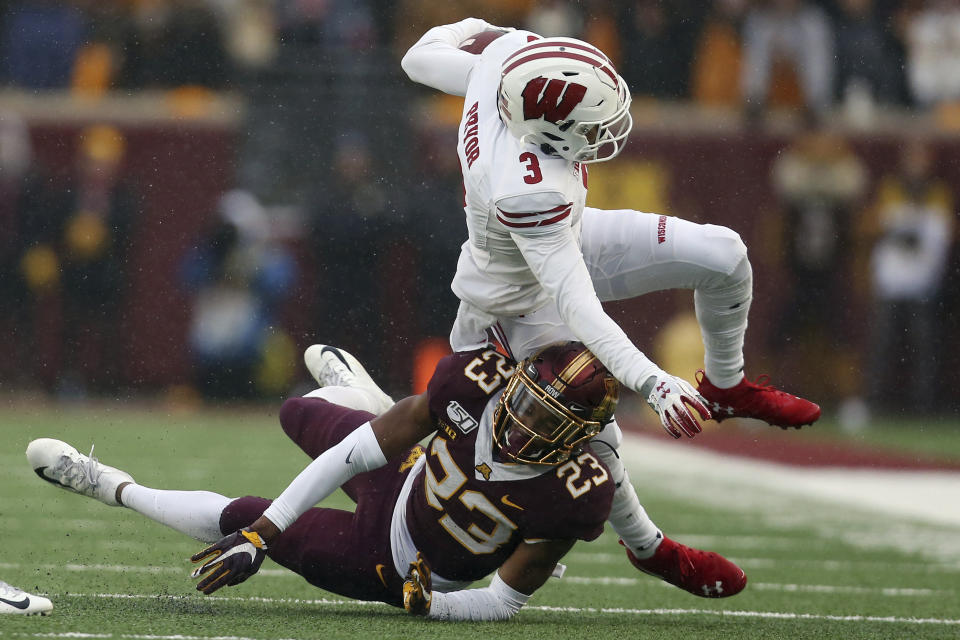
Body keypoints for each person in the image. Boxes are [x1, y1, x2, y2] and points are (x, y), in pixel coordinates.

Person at [400, 18, 820, 566]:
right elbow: (578, 308)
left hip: (570, 236)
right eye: (589, 126)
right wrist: (654, 383)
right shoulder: (527, 191)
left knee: (725, 254)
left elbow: (419, 57)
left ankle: (726, 386)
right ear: (547, 132)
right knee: (588, 421)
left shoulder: (506, 68)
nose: (606, 131)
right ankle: (651, 548)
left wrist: (488, 28)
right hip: (516, 297)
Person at [26, 342, 745, 621]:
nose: (521, 420)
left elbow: (504, 600)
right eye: (524, 399)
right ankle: (370, 400)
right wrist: (267, 532)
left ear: (585, 437)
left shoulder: (581, 488)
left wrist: (430, 606)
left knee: (239, 514)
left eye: (544, 418)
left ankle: (108, 485)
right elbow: (356, 457)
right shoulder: (478, 382)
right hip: (407, 477)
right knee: (297, 413)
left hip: (397, 560)